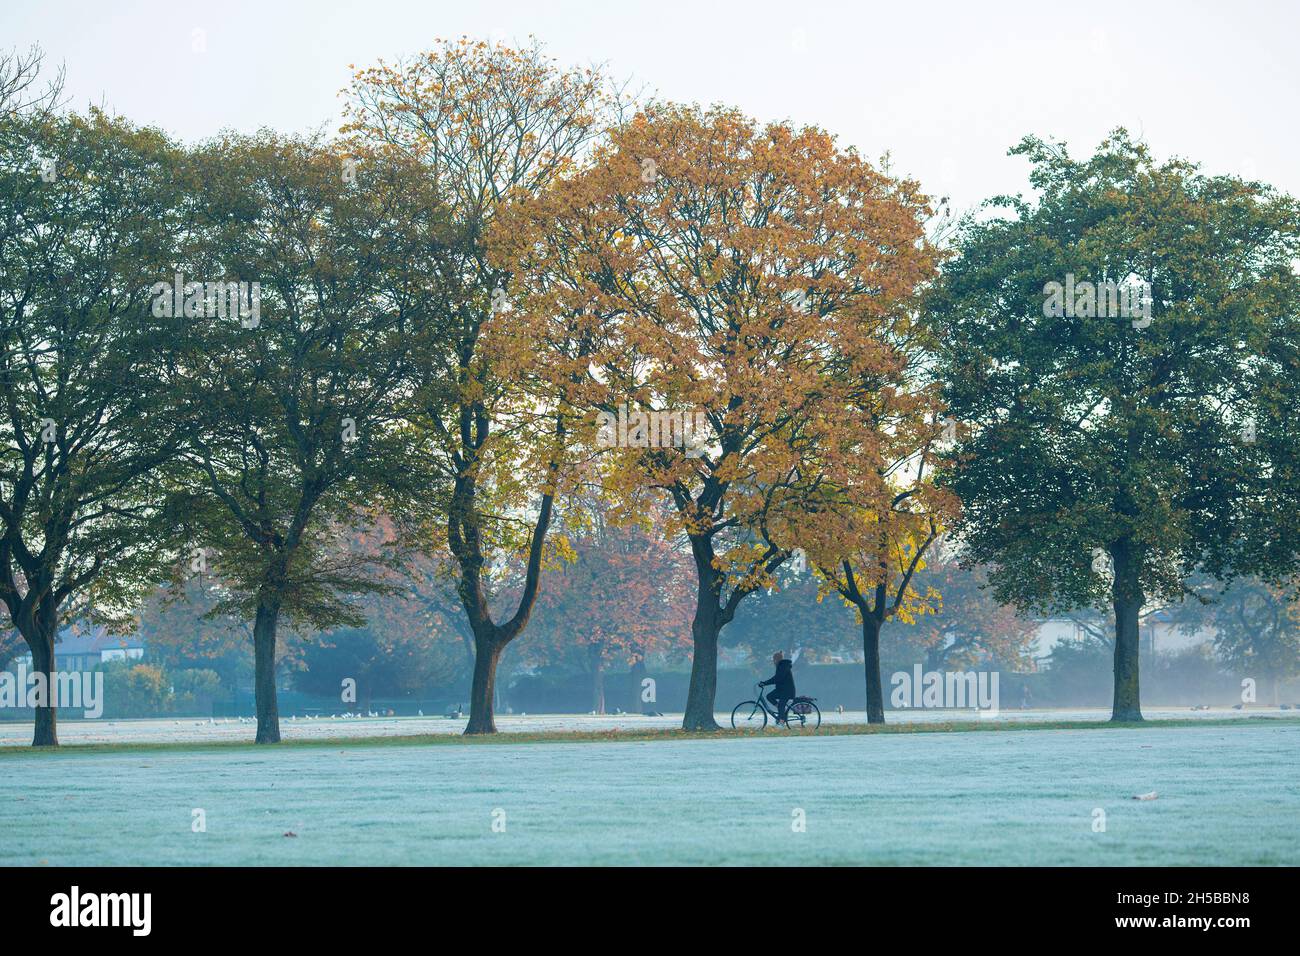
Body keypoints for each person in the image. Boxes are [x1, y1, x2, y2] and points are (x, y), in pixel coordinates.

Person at [759, 651, 796, 725]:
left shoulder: (783, 666)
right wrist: (765, 683)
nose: (773, 661)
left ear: (777, 659)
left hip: (787, 691)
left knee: (781, 705)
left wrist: (765, 683)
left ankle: (781, 722)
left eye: (774, 659)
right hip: (781, 690)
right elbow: (777, 678)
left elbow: (777, 678)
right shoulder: (781, 666)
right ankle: (781, 711)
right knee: (770, 696)